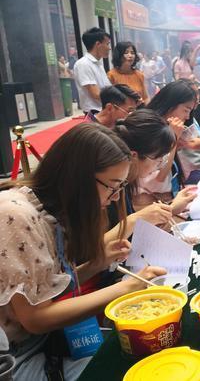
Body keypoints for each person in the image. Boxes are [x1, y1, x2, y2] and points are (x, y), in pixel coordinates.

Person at [0, 123, 165, 380]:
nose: (114, 197)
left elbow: (44, 290)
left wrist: (96, 264)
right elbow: (36, 318)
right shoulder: (17, 215)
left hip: (42, 342)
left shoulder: (49, 211)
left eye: (121, 187)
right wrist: (126, 289)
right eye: (112, 186)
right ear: (77, 176)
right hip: (15, 357)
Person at [106, 109, 196, 242]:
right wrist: (135, 219)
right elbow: (93, 250)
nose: (159, 165)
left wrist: (170, 209)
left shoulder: (125, 183)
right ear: (134, 156)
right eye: (158, 158)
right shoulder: (109, 186)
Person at [73, 27, 111, 113]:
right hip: (95, 112)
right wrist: (119, 100)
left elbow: (107, 88)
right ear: (98, 44)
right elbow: (96, 94)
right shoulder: (83, 64)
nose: (109, 48)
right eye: (107, 44)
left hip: (105, 110)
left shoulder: (98, 64)